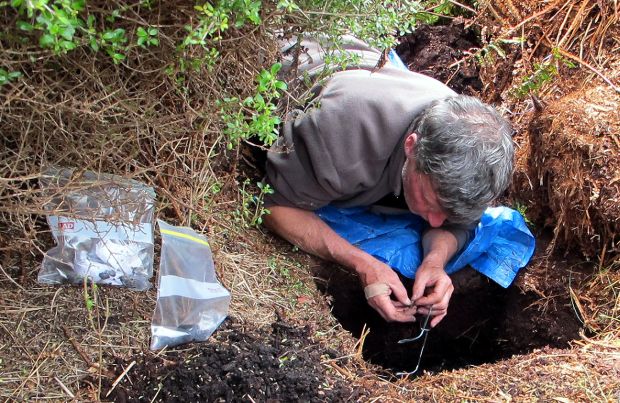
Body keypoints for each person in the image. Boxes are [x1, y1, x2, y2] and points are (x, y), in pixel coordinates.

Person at [261, 37, 514, 328]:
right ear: (412, 147)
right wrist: (363, 263)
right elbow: (276, 205)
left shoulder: (466, 158)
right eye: (431, 203)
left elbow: (459, 223)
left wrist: (435, 261)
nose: (434, 222)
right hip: (306, 54)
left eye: (447, 212)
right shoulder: (341, 137)